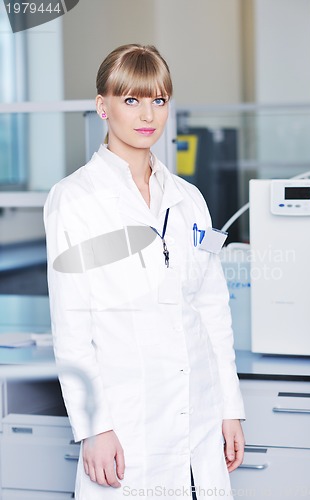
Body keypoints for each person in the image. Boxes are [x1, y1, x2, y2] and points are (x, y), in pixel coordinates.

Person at [44, 44, 245, 500]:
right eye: (131, 100)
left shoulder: (188, 197)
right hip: (126, 420)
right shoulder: (75, 198)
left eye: (158, 99)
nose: (147, 114)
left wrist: (229, 408)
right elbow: (72, 326)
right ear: (103, 107)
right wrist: (94, 428)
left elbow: (212, 310)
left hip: (198, 416)